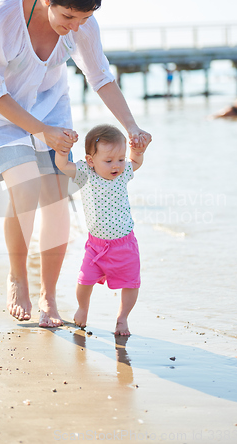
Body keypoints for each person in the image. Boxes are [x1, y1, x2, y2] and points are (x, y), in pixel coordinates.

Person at [0, 0, 151, 327]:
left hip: (51, 109)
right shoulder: (4, 17)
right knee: (25, 192)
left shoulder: (82, 22)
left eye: (83, 19)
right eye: (69, 18)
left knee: (56, 201)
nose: (74, 27)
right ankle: (18, 276)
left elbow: (100, 77)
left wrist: (131, 126)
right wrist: (38, 131)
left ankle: (50, 297)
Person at [55, 124, 149, 336]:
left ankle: (122, 318)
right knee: (84, 280)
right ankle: (83, 308)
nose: (116, 165)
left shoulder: (123, 172)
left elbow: (136, 162)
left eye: (120, 158)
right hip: (96, 247)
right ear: (91, 161)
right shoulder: (85, 173)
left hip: (125, 244)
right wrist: (63, 149)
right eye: (108, 161)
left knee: (132, 284)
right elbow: (63, 166)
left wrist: (138, 151)